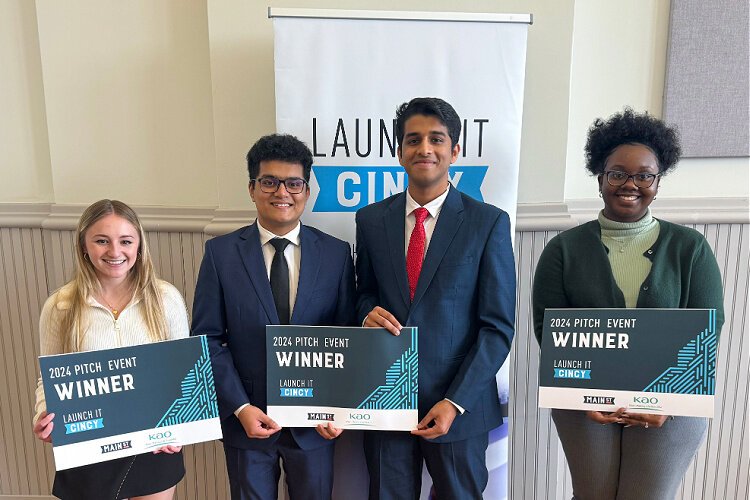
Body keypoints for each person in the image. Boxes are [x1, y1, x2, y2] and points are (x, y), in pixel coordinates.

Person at [532, 108, 725, 500]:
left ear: (658, 180)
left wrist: (667, 403)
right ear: (600, 178)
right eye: (617, 173)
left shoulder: (691, 248)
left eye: (644, 175)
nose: (630, 184)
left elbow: (708, 330)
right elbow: (548, 330)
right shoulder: (563, 250)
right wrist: (585, 395)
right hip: (585, 406)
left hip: (672, 405)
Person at [355, 97, 516, 499]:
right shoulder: (371, 220)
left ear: (454, 151)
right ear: (399, 151)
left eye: (436, 139)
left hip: (459, 405)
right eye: (413, 140)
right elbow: (363, 293)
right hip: (385, 397)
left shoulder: (488, 222)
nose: (424, 148)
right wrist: (364, 314)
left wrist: (455, 402)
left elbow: (497, 327)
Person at [191, 134, 355, 500]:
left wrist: (338, 409)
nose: (282, 192)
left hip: (314, 424)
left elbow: (347, 340)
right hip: (247, 422)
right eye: (269, 181)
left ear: (307, 191)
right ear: (252, 188)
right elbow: (208, 340)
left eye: (293, 183)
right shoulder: (220, 255)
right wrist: (240, 407)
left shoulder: (336, 254)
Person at [32, 199, 188, 500]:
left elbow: (180, 376)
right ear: (84, 246)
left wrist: (179, 428)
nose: (115, 252)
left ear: (139, 245)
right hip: (89, 442)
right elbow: (47, 378)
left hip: (154, 443)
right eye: (102, 241)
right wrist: (44, 415)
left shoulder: (166, 299)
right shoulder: (60, 306)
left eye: (125, 241)